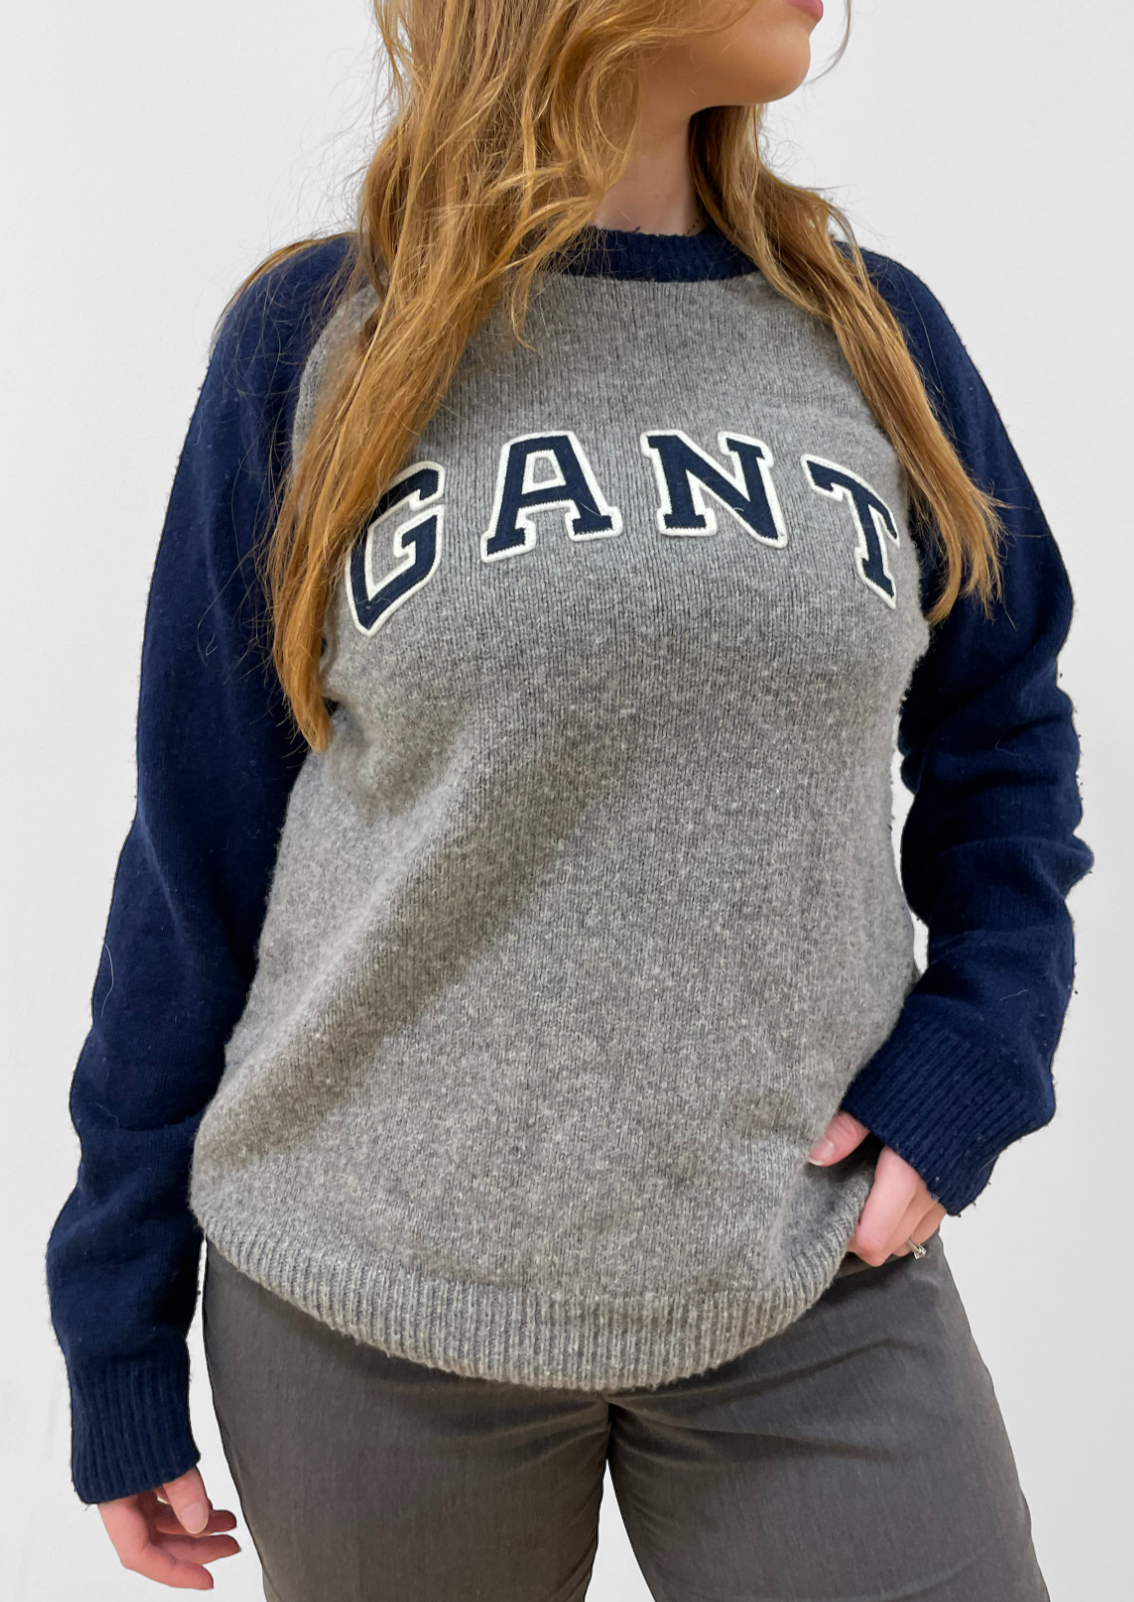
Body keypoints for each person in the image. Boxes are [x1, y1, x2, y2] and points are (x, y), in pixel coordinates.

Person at [45, 1, 1094, 1596]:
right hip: (363, 1305)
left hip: (801, 1273)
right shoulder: (315, 337)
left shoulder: (872, 333)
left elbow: (1003, 729)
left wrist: (977, 1046)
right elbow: (197, 853)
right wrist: (116, 1323)